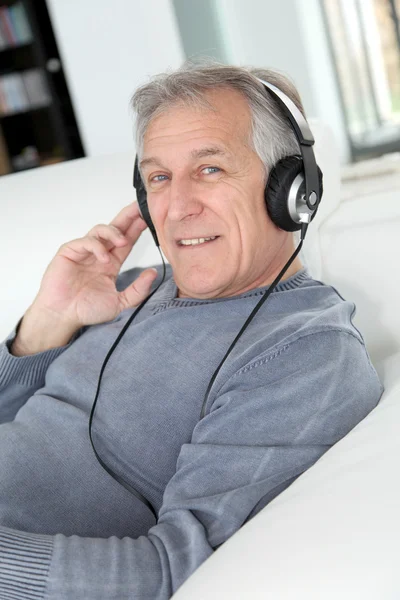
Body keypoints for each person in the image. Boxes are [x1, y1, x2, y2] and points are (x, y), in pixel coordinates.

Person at [0, 62, 383, 600]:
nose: (177, 208)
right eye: (159, 178)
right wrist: (45, 322)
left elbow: (178, 569)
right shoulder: (131, 284)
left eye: (209, 169)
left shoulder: (305, 352)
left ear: (291, 188)